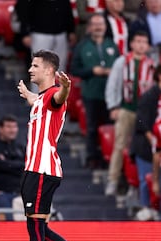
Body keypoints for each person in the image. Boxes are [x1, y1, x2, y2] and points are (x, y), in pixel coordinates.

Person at [4, 50, 97, 241]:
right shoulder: (42, 98)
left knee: (35, 230)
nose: (30, 69)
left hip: (42, 169)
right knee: (39, 229)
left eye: (35, 66)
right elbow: (40, 101)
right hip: (35, 170)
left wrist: (65, 87)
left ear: (48, 70)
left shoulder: (55, 94)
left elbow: (59, 97)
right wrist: (28, 95)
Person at [104, 31, 154, 196]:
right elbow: (113, 84)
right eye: (138, 41)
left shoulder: (152, 64)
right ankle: (113, 180)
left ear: (147, 46)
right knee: (120, 146)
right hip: (126, 109)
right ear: (131, 44)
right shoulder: (122, 61)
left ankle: (137, 184)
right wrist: (113, 106)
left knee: (142, 148)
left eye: (144, 42)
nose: (140, 45)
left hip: (145, 114)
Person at [70, 13, 119, 169]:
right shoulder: (82, 46)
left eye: (101, 24)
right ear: (90, 27)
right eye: (95, 24)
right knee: (91, 128)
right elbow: (74, 70)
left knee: (109, 126)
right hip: (91, 93)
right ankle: (92, 158)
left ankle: (107, 158)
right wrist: (92, 71)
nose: (98, 27)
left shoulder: (112, 45)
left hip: (111, 95)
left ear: (105, 27)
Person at [130, 65, 161, 218]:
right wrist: (155, 142)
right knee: (145, 179)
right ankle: (145, 207)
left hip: (157, 145)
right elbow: (142, 123)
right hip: (145, 145)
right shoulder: (150, 95)